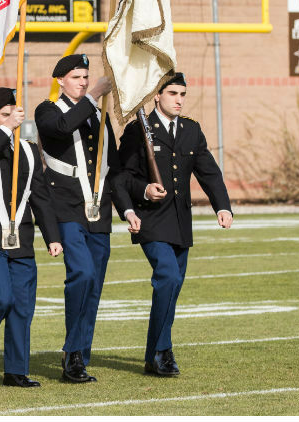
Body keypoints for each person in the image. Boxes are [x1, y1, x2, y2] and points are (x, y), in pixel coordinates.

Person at [116, 72, 233, 376]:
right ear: (157, 95)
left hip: (180, 222)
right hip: (150, 220)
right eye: (172, 94)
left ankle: (157, 352)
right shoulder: (139, 129)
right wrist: (143, 190)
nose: (179, 100)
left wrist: (223, 206)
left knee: (173, 287)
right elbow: (121, 177)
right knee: (167, 277)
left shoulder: (192, 130)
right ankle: (160, 352)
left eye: (182, 94)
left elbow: (208, 172)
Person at [0, 88, 63, 388]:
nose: (11, 120)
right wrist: (5, 129)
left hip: (22, 236)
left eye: (13, 114)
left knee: (21, 305)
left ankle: (16, 370)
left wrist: (52, 236)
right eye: (4, 115)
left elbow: (40, 196)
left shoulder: (29, 150)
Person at [34, 53, 128, 383]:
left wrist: (127, 209)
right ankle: (73, 352)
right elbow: (61, 128)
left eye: (86, 77)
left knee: (95, 286)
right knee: (82, 274)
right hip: (66, 207)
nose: (83, 82)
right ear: (60, 80)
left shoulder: (97, 117)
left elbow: (113, 170)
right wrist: (93, 97)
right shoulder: (48, 110)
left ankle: (79, 357)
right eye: (76, 77)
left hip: (98, 210)